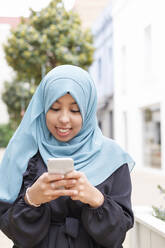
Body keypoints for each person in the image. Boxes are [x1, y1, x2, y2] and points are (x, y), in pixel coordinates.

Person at [0, 65, 135, 248]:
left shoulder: (113, 157)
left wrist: (96, 199)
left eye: (75, 110)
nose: (64, 119)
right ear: (43, 108)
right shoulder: (23, 153)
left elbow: (118, 235)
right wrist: (32, 199)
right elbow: (10, 229)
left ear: (88, 111)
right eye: (55, 108)